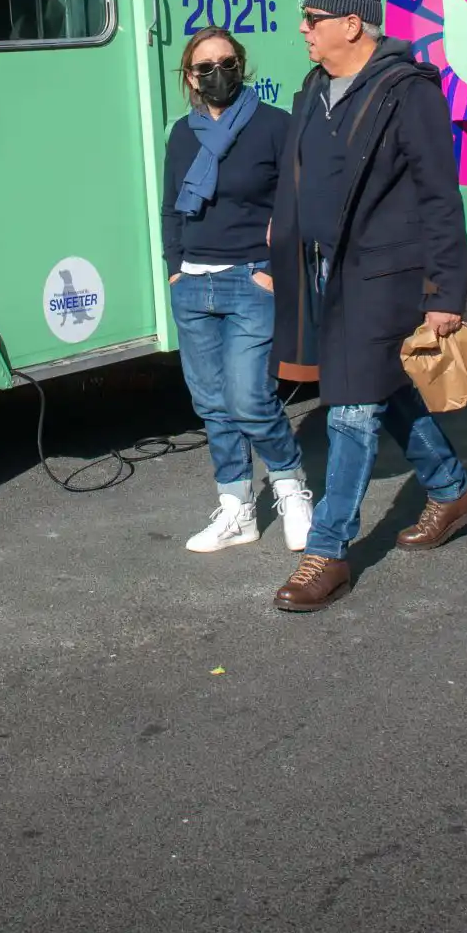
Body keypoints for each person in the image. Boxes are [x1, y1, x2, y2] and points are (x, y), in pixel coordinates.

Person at [267, 0, 467, 613]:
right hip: (328, 272)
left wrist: (447, 292)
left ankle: (328, 549)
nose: (303, 29)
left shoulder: (406, 88)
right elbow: (296, 179)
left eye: (314, 19)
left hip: (388, 275)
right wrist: (274, 249)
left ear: (351, 24)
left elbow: (440, 197)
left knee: (352, 408)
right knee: (385, 392)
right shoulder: (313, 88)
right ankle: (453, 490)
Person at [160, 27, 310, 554]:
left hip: (251, 281)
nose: (217, 74)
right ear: (190, 78)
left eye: (227, 63)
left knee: (249, 399)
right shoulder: (182, 135)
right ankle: (236, 509)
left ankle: (291, 487)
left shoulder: (274, 126)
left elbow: (299, 200)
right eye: (205, 68)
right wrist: (175, 268)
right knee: (213, 406)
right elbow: (170, 207)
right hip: (193, 287)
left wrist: (271, 267)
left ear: (241, 67)